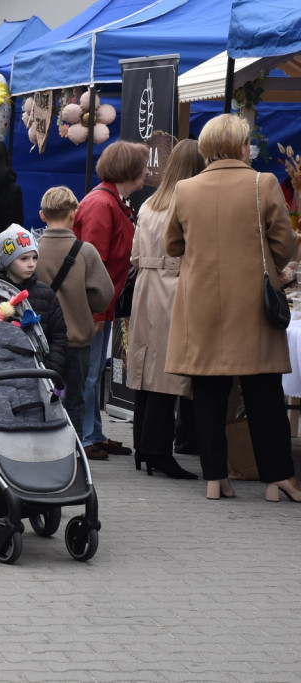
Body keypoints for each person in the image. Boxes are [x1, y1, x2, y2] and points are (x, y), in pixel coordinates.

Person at [165, 114, 301, 502]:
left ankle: (214, 477)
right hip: (253, 303)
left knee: (208, 391)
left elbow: (173, 245)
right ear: (242, 147)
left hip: (202, 302)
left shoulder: (187, 189)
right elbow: (283, 243)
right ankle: (278, 479)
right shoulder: (264, 183)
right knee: (264, 391)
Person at [126, 140, 205, 480]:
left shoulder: (149, 205)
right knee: (166, 373)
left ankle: (143, 447)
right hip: (174, 286)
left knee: (146, 369)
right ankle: (158, 450)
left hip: (145, 284)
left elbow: (134, 254)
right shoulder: (188, 204)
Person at [73, 140, 149, 460]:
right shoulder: (102, 205)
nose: (147, 171)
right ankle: (85, 437)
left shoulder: (114, 201)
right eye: (143, 166)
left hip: (102, 305)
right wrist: (94, 312)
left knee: (93, 374)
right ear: (129, 170)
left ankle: (95, 432)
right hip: (92, 308)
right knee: (89, 375)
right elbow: (92, 263)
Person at [35, 186, 114, 451]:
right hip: (77, 339)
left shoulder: (32, 251)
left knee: (42, 396)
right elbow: (104, 294)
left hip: (40, 343)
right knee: (75, 399)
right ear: (74, 214)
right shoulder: (85, 251)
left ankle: (42, 448)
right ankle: (74, 451)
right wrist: (82, 303)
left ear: (42, 215)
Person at [0, 224, 67, 376]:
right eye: (24, 258)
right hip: (1, 374)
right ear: (7, 260)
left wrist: (51, 370)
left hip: (40, 373)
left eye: (34, 257)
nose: (31, 263)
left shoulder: (46, 294)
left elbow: (59, 336)